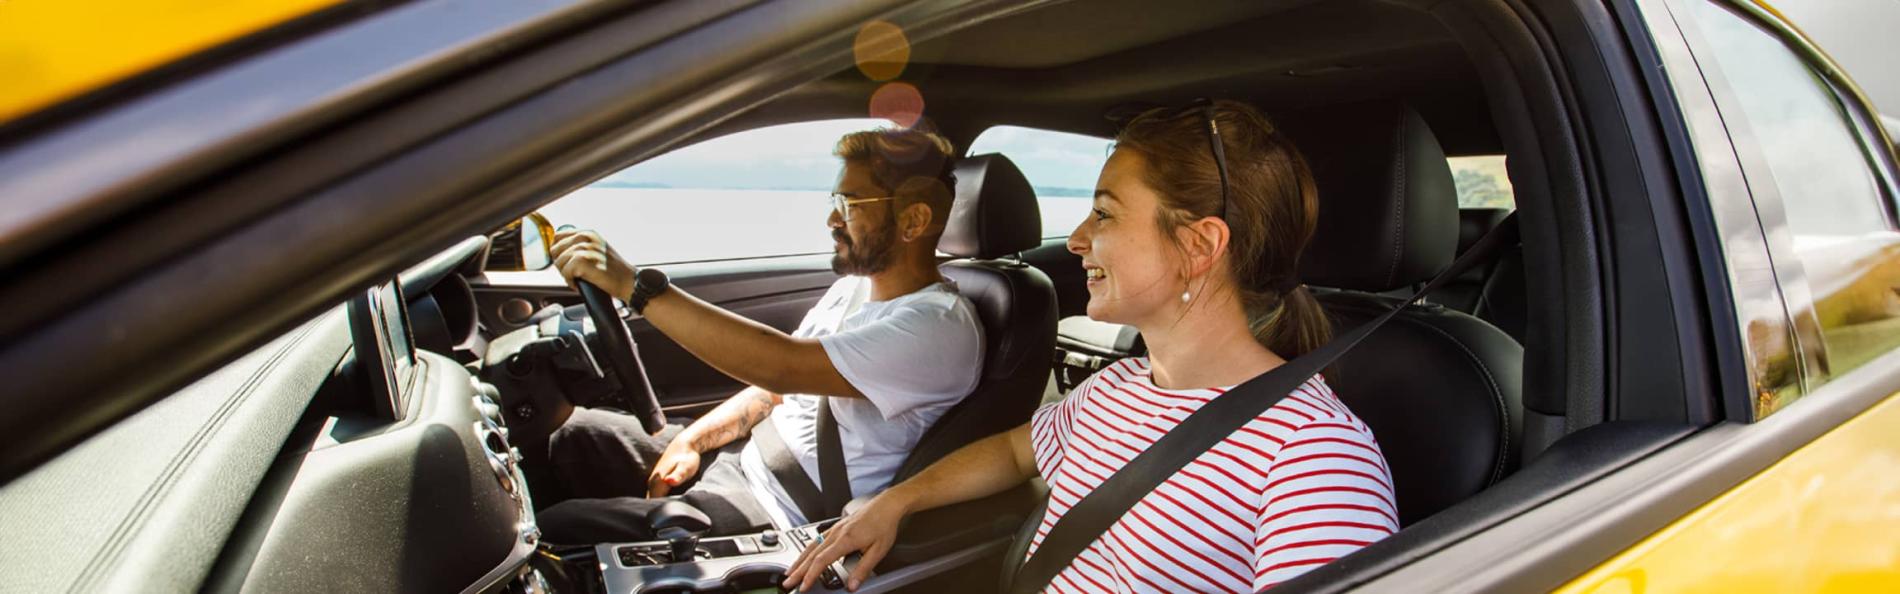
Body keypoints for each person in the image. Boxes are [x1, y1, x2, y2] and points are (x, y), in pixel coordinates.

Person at [784, 101, 1398, 592]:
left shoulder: (1314, 456)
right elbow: (1011, 454)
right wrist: (896, 499)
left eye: (1104, 216)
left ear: (1199, 246)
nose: (1076, 240)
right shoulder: (1117, 388)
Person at [535, 127, 985, 543]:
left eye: (849, 204)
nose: (832, 218)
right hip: (745, 456)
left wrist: (636, 288)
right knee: (571, 437)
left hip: (782, 511)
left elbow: (782, 366)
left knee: (560, 530)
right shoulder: (853, 288)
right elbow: (773, 391)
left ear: (913, 221)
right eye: (835, 200)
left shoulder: (938, 329)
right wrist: (694, 439)